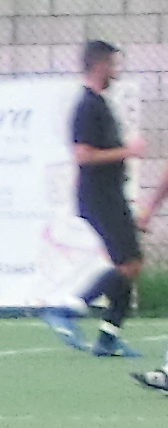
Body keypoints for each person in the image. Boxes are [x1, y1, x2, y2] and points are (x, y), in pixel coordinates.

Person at [59, 38, 146, 357]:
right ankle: (70, 307)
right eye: (112, 63)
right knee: (129, 262)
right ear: (98, 65)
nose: (116, 70)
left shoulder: (101, 103)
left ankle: (108, 336)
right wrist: (128, 151)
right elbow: (83, 155)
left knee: (130, 262)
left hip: (110, 193)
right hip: (98, 196)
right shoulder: (86, 106)